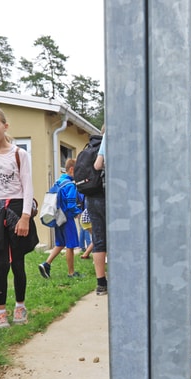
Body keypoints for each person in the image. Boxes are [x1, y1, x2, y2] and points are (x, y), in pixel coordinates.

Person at [0, 105, 38, 328]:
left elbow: (28, 186)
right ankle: (0, 311)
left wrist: (25, 217)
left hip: (17, 211)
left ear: (5, 126)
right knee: (1, 264)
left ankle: (20, 307)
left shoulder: (20, 154)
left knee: (18, 263)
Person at [38, 159, 83, 279]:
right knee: (70, 245)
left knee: (60, 243)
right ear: (72, 169)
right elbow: (71, 205)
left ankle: (46, 264)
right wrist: (78, 212)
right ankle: (71, 273)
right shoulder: (70, 185)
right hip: (67, 219)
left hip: (57, 218)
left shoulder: (58, 182)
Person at [86, 125, 108, 295]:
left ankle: (101, 284)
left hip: (92, 196)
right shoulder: (111, 136)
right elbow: (98, 164)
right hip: (109, 195)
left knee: (98, 239)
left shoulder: (91, 146)